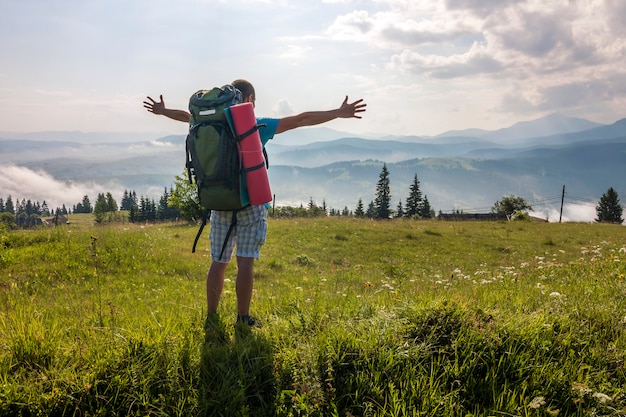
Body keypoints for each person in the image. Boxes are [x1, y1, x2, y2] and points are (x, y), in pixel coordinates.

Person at [144, 79, 366, 327]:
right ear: (248, 100)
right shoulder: (257, 126)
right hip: (250, 204)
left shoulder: (209, 122)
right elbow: (301, 119)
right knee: (245, 263)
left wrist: (163, 111)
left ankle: (212, 317)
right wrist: (338, 113)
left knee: (218, 262)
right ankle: (243, 318)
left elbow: (185, 116)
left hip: (220, 202)